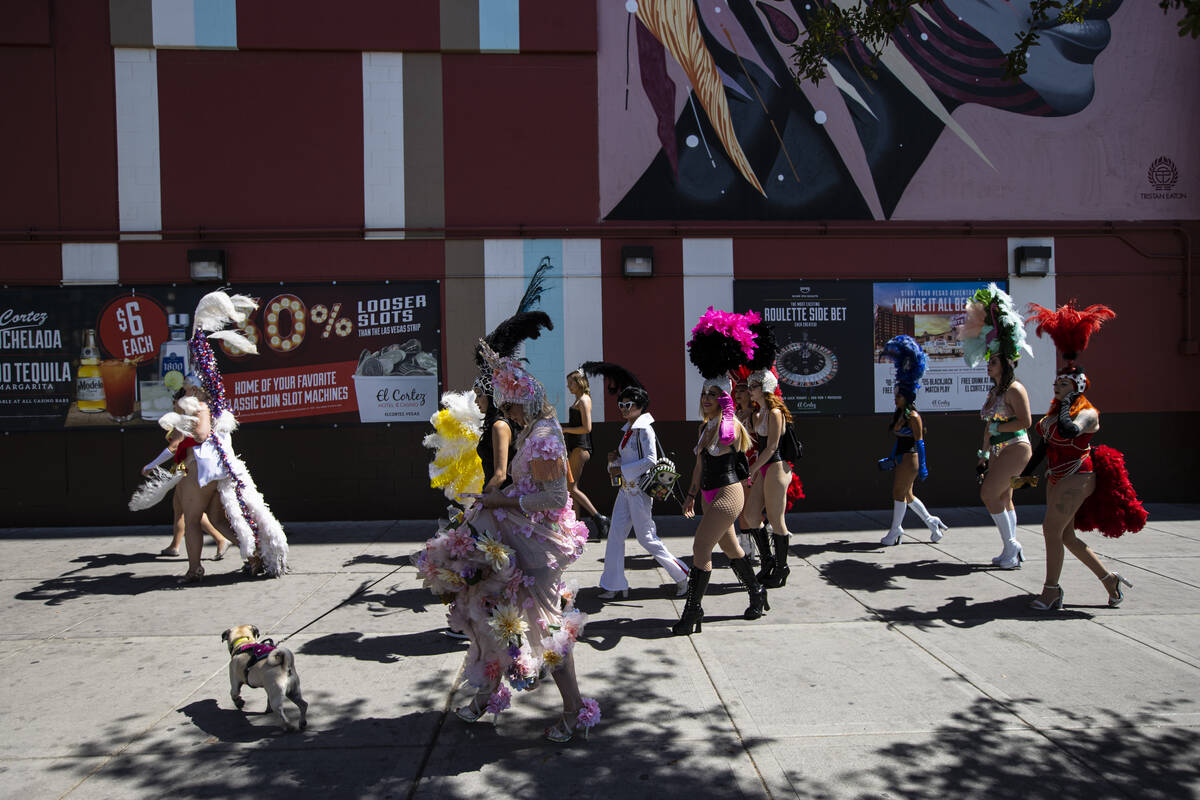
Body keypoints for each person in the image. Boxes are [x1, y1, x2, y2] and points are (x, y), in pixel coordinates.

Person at [416, 342, 599, 742]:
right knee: (498, 621)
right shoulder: (534, 432)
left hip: (538, 548)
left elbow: (554, 498)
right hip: (521, 541)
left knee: (549, 631)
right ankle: (486, 696)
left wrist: (503, 498)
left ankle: (574, 711)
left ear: (526, 403)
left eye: (511, 407)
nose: (509, 415)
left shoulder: (546, 438)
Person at [1015, 301, 1147, 610]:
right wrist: (1025, 475)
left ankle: (1051, 591)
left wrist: (1064, 403)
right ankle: (1109, 580)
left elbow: (1070, 431)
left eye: (1062, 383)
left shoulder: (1087, 412)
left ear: (1076, 387)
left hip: (1079, 476)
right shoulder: (1054, 410)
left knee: (1050, 529)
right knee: (1067, 536)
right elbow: (1046, 445)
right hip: (1057, 476)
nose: (1055, 385)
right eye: (1056, 382)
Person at [172, 291, 289, 582]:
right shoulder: (210, 403)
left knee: (193, 518)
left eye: (187, 385)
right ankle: (255, 555)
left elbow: (200, 433)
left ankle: (194, 567)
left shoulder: (198, 405)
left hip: (201, 470)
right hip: (218, 469)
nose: (184, 389)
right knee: (219, 519)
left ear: (195, 388)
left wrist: (180, 428)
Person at [674, 307, 769, 635]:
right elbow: (699, 463)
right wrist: (689, 494)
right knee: (731, 549)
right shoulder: (705, 427)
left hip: (728, 494)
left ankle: (692, 613)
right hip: (706, 494)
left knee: (701, 547)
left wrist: (728, 408)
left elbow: (728, 434)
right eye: (703, 394)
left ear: (724, 400)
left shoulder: (729, 427)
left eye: (713, 395)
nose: (705, 399)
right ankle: (757, 592)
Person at [958, 284, 1033, 570]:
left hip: (1016, 446)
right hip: (999, 448)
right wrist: (984, 453)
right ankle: (1010, 551)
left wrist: (1000, 432)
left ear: (1006, 363)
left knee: (988, 494)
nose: (988, 364)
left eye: (994, 360)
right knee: (1004, 496)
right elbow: (990, 425)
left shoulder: (1015, 389)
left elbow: (1025, 422)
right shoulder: (994, 392)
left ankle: (1013, 545)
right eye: (988, 359)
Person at [597, 383, 690, 599]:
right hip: (625, 490)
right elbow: (633, 459)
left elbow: (650, 460)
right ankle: (614, 584)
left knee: (646, 537)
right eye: (621, 404)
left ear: (639, 406)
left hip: (639, 491)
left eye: (628, 404)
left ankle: (682, 574)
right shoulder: (630, 430)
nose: (623, 408)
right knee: (615, 535)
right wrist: (615, 460)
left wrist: (621, 467)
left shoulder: (644, 429)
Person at [876, 335, 948, 546]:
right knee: (907, 494)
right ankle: (932, 522)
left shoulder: (914, 417)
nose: (894, 397)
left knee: (898, 492)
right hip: (901, 456)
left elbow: (920, 442)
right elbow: (898, 440)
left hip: (911, 458)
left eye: (898, 395)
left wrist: (923, 466)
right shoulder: (899, 414)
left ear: (907, 396)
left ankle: (896, 530)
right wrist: (891, 457)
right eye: (894, 394)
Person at [562, 369, 609, 540]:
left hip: (581, 447)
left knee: (571, 488)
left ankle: (599, 518)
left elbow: (587, 428)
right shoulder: (578, 400)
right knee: (572, 489)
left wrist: (566, 429)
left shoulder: (584, 400)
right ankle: (576, 526)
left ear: (579, 382)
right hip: (575, 447)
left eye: (571, 383)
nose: (568, 387)